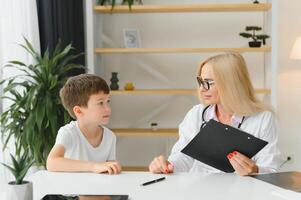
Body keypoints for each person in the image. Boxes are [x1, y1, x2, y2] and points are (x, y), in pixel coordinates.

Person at [149, 52, 281, 176]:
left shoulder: (263, 118)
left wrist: (255, 170)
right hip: (199, 189)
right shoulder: (196, 113)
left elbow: (271, 169)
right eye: (201, 82)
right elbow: (183, 156)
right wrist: (167, 166)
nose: (202, 89)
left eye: (209, 83)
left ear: (231, 84)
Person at [47, 74, 121, 174]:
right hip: (72, 189)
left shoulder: (110, 137)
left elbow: (109, 170)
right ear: (78, 111)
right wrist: (93, 166)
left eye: (108, 101)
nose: (108, 108)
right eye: (100, 103)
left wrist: (114, 166)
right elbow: (52, 162)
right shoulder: (68, 133)